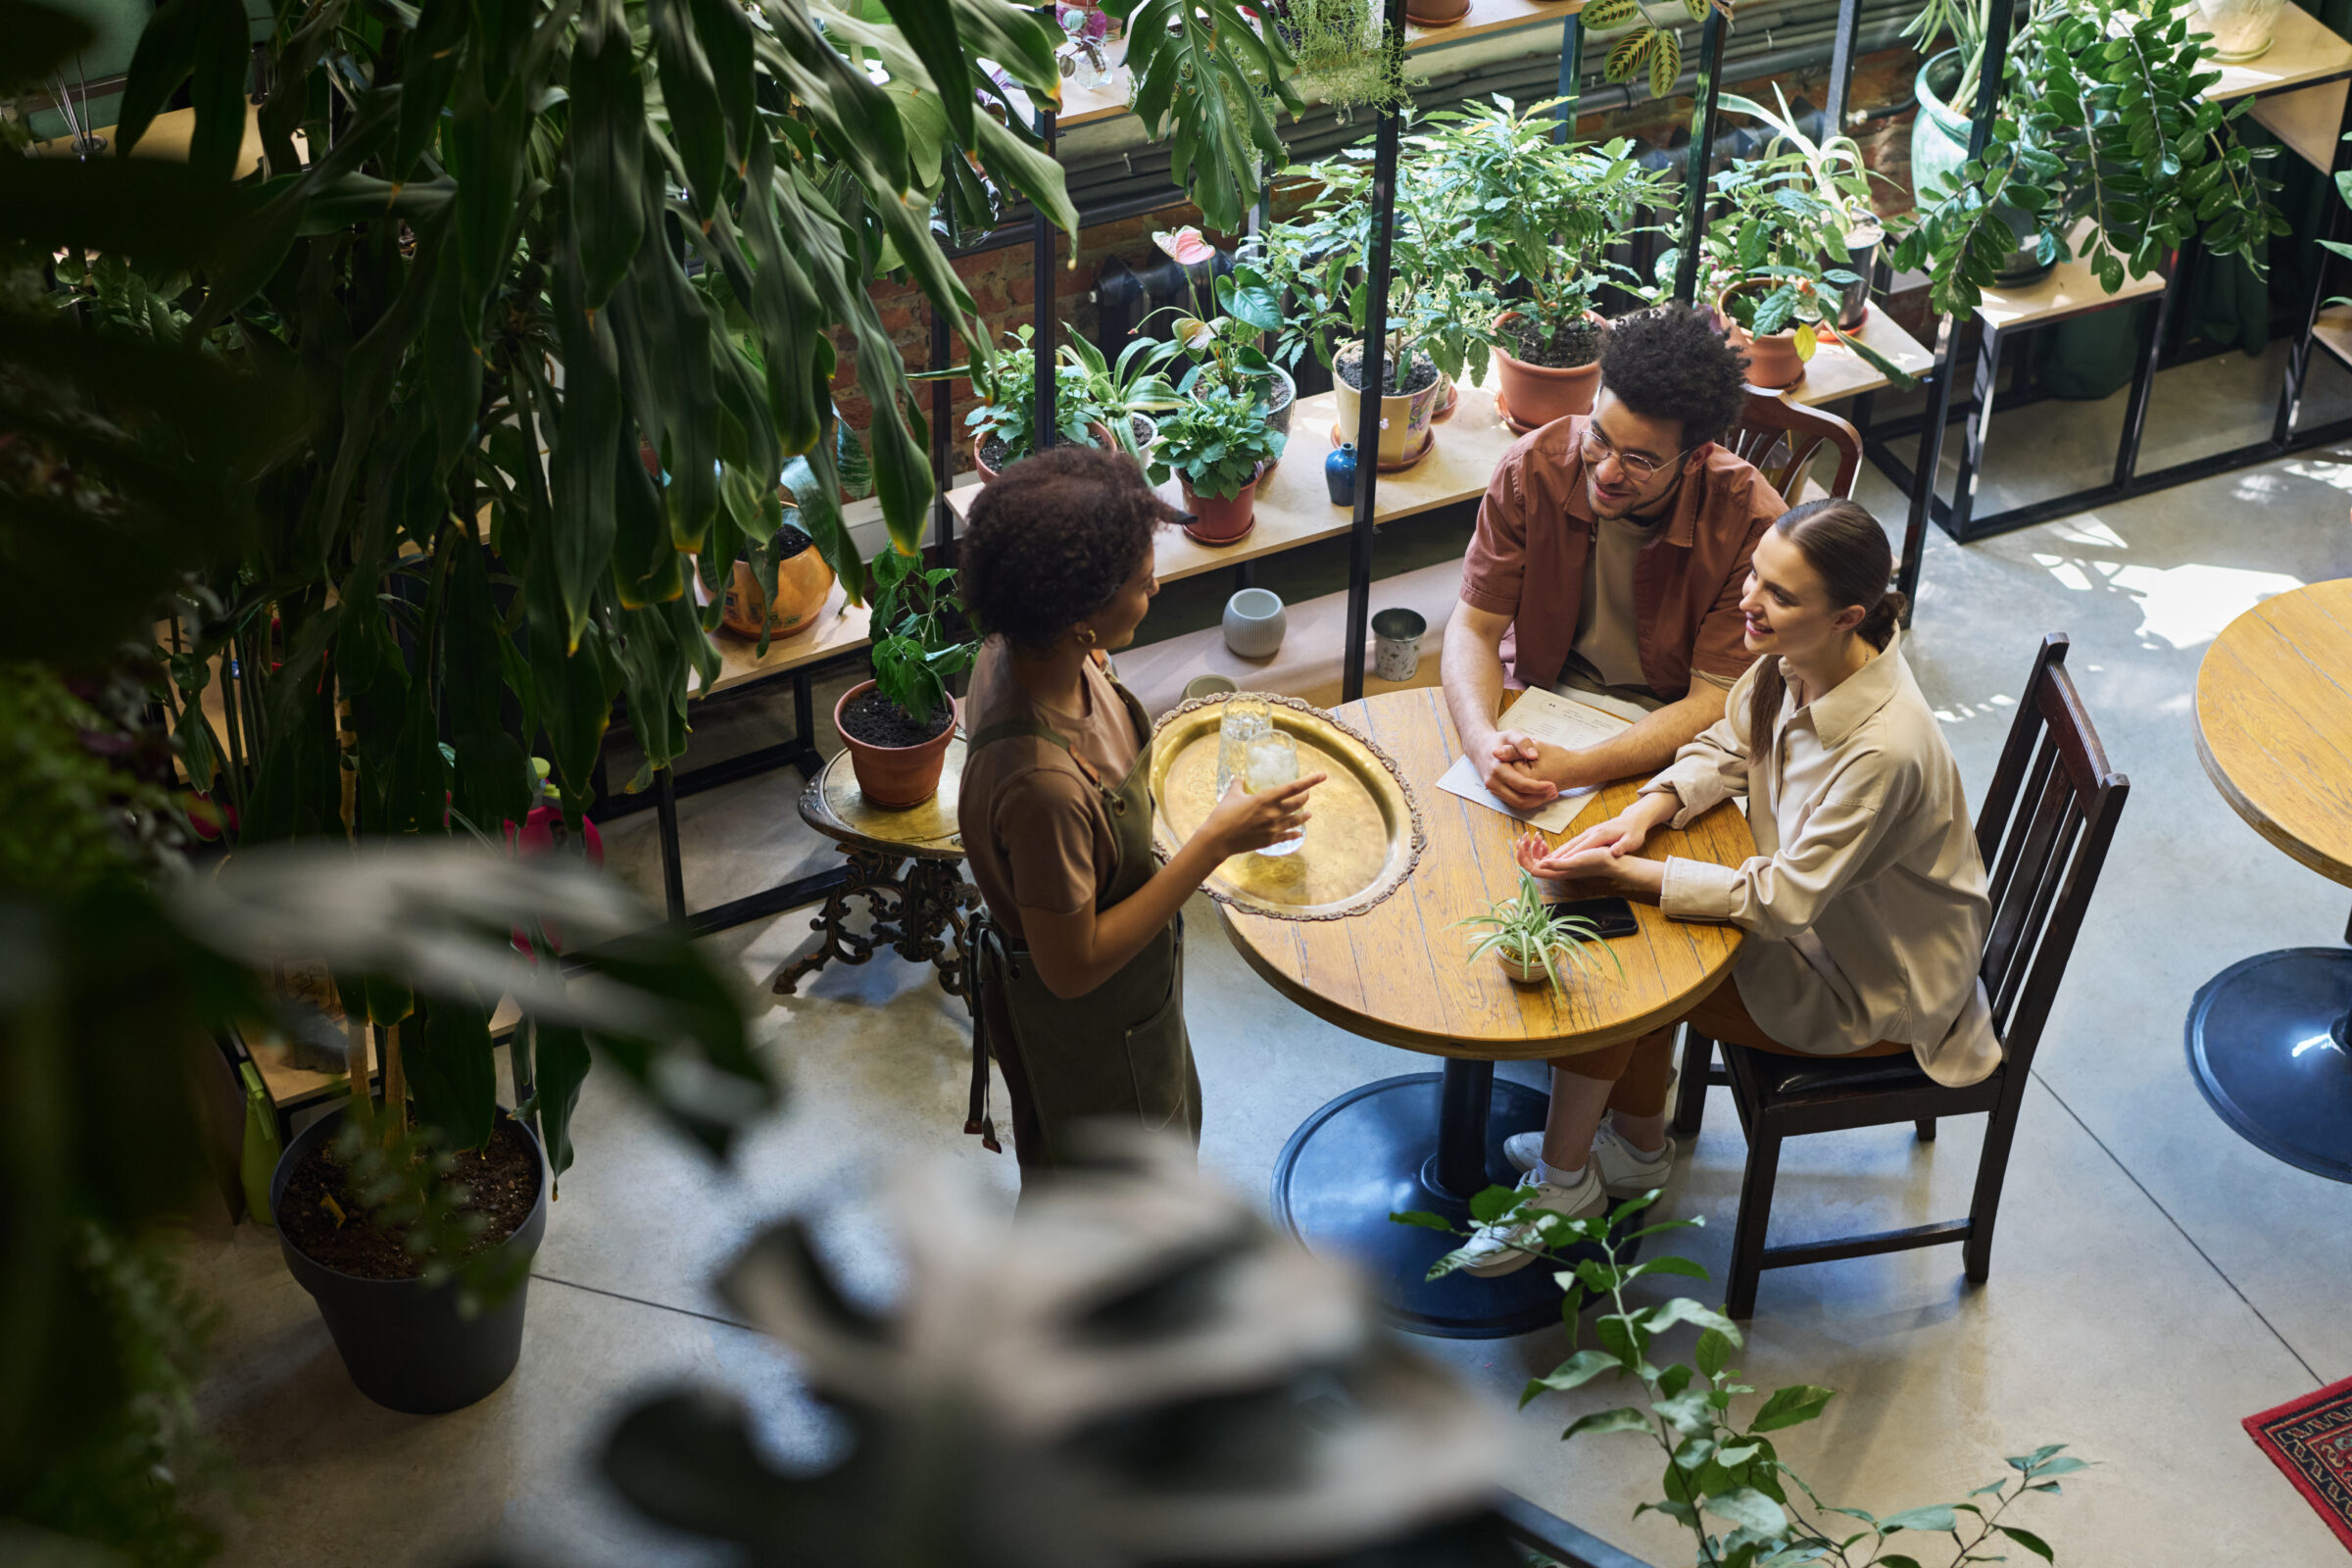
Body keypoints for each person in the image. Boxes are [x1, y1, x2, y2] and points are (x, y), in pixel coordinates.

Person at [1455, 500, 1997, 1275]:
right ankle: (1635, 1145)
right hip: (1824, 927)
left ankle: (1565, 1180)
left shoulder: (1883, 749)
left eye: (1779, 594)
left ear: (1848, 615)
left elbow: (1780, 903)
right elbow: (1726, 743)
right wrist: (1648, 812)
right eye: (1756, 575)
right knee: (1631, 921)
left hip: (1870, 980)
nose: (1749, 600)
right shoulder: (1803, 660)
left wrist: (1626, 873)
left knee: (1625, 966)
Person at [956, 446, 1325, 1182]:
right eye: (1138, 579)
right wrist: (1215, 841)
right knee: (1112, 1199)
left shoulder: (1033, 649)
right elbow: (1072, 966)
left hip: (1135, 1000)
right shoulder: (1043, 789)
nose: (1156, 582)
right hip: (1089, 1031)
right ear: (1079, 619)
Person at [1444, 304, 1786, 808]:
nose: (1605, 472)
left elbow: (1715, 701)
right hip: (1541, 689)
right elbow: (1474, 627)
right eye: (1599, 437)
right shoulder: (1532, 468)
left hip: (1668, 724)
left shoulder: (1751, 525)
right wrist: (1481, 744)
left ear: (1695, 458)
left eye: (1641, 460)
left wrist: (1578, 767)